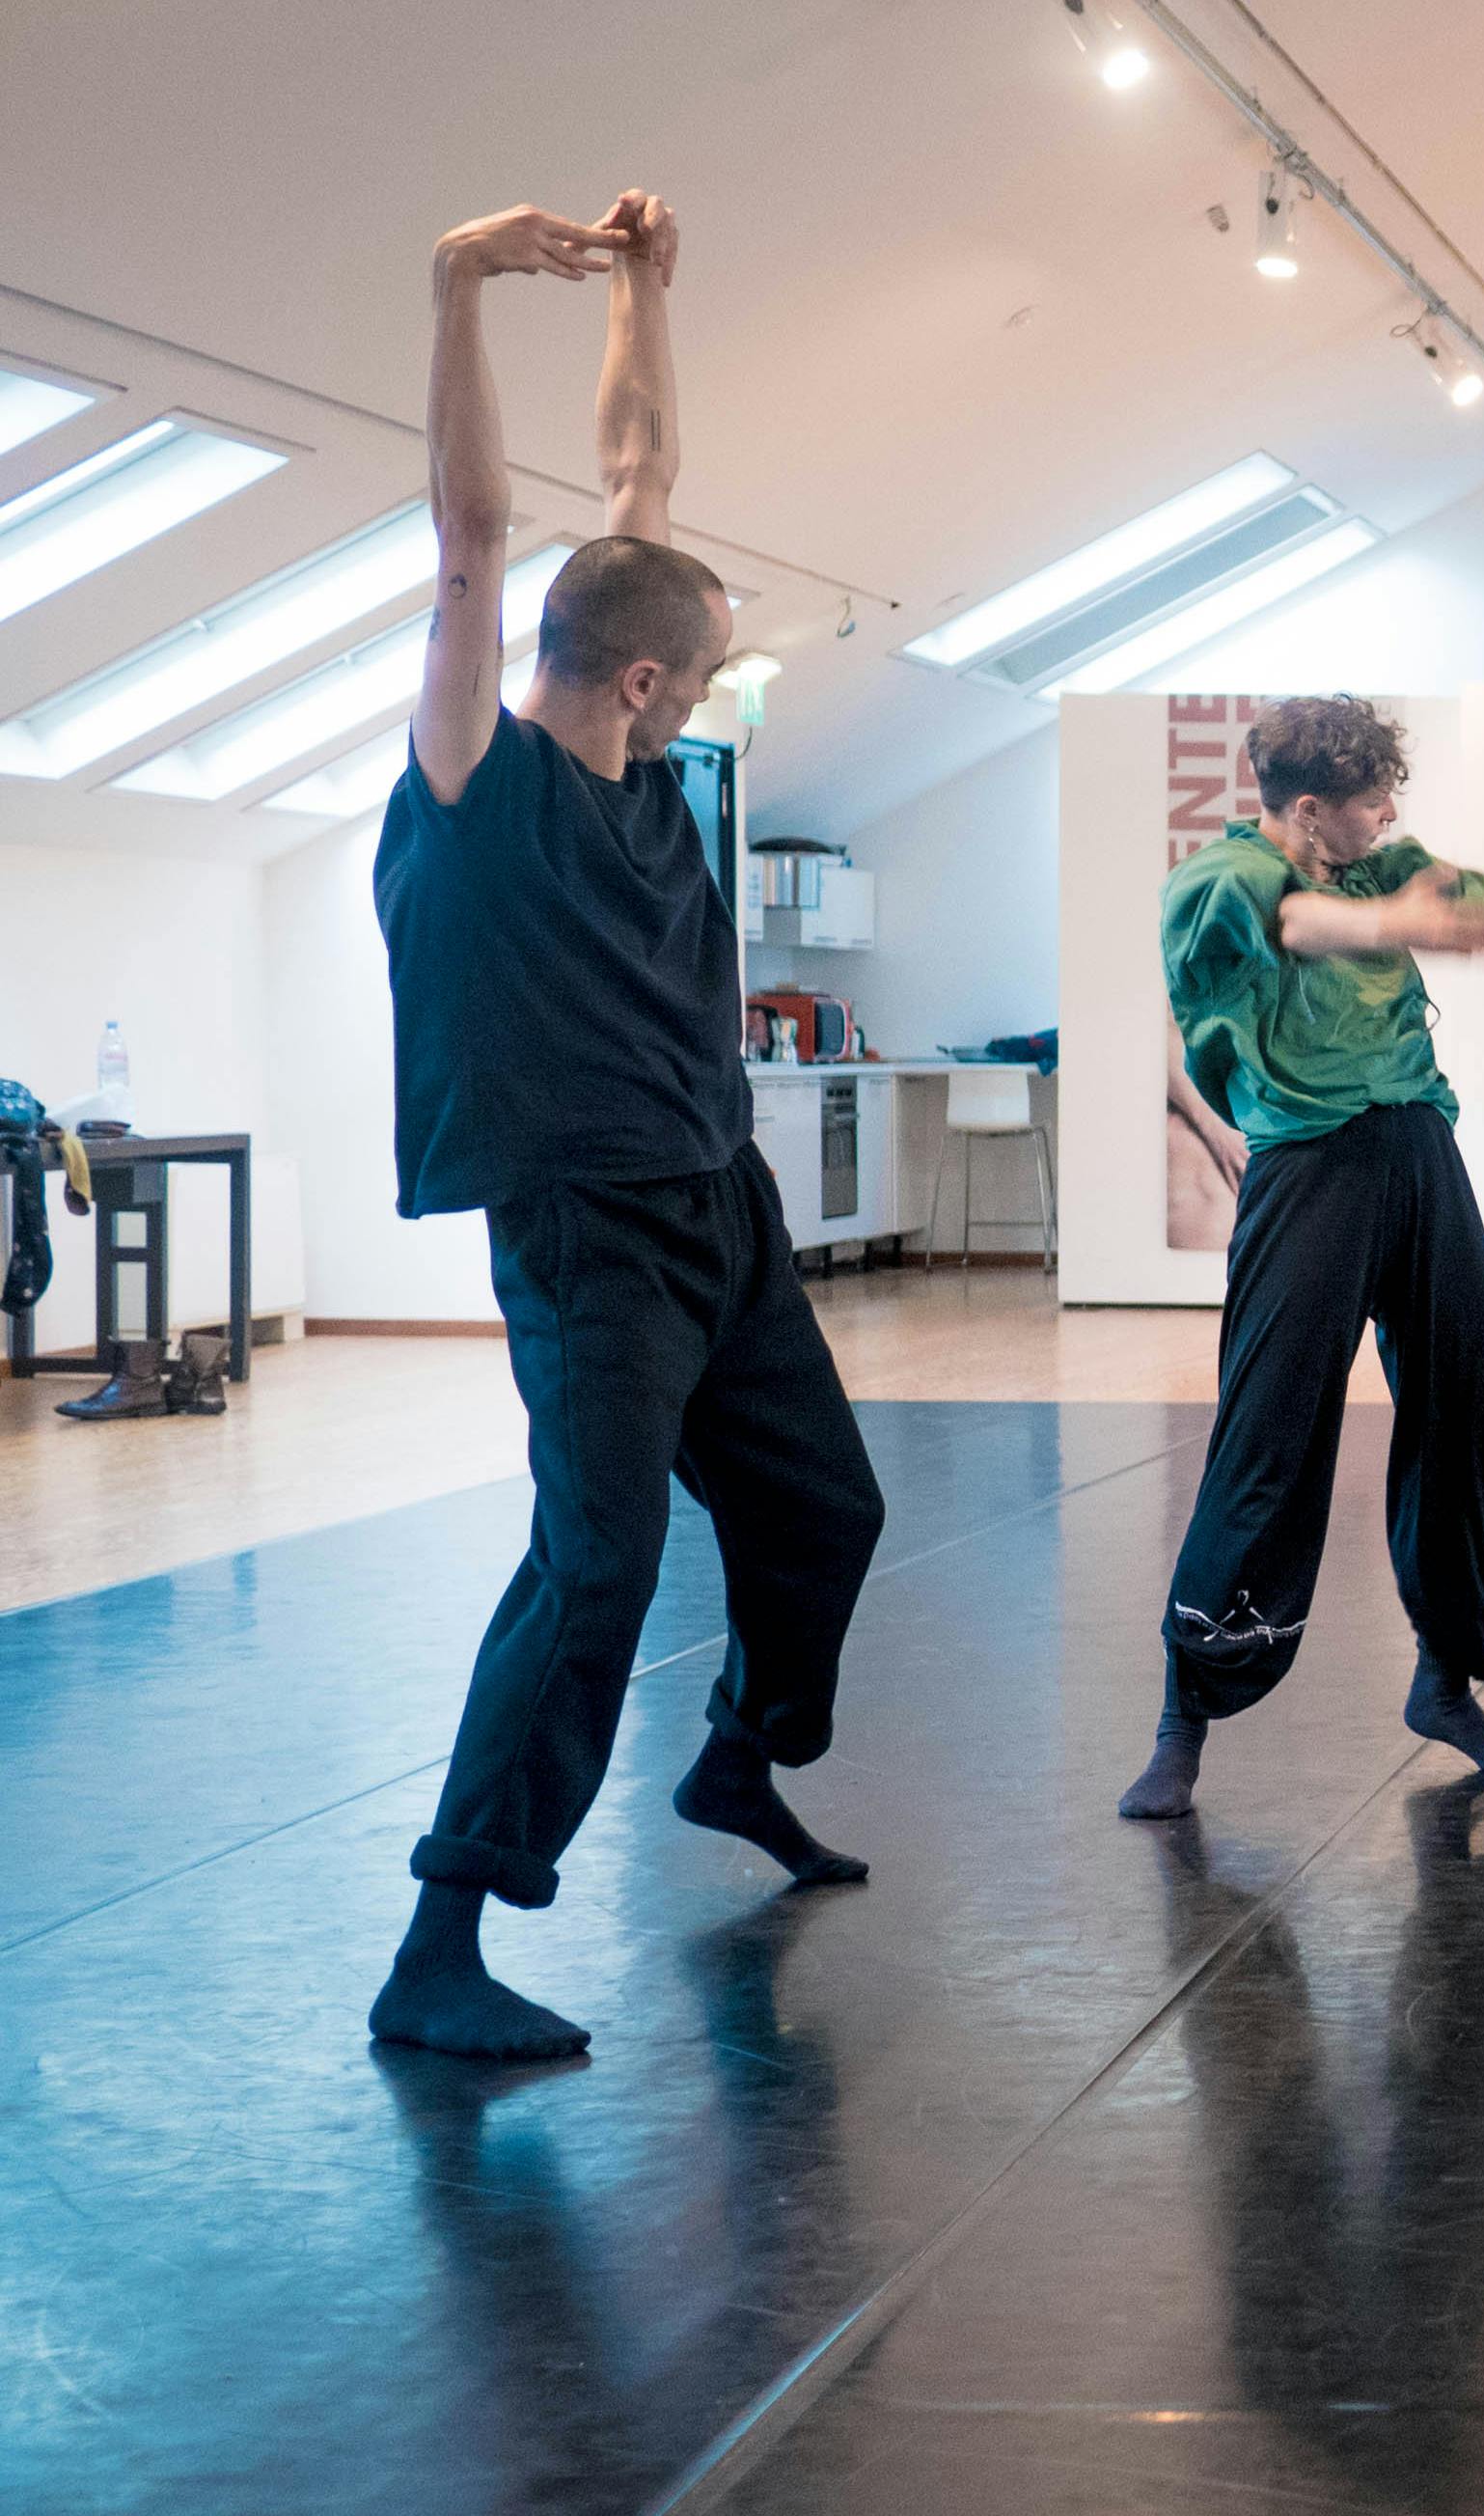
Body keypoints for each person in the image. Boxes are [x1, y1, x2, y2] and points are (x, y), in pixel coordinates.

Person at [370, 193, 886, 2060]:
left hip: (720, 1210)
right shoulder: (475, 780)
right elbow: (474, 541)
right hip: (589, 1231)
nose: (721, 685)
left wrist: (649, 288)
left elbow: (634, 476)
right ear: (649, 677)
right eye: (714, 665)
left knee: (825, 1506)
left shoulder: (650, 759)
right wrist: (457, 284)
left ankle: (737, 1761)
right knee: (592, 1565)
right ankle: (443, 1939)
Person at [1117, 697, 1484, 1820]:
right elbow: (1286, 922)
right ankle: (1186, 1712)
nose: (1393, 814)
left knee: (1478, 1406)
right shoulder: (1215, 882)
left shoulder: (1389, 866)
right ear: (1309, 812)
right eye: (1373, 803)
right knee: (1270, 1435)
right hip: (1308, 1170)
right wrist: (1390, 925)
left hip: (1416, 1147)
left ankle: (1445, 1682)